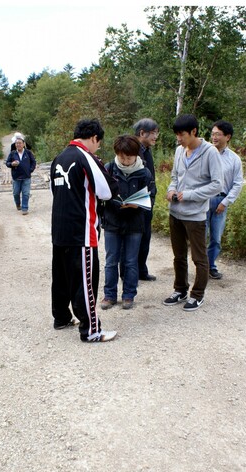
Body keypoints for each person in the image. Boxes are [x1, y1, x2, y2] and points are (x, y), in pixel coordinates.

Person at [50, 119, 118, 342]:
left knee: (61, 277)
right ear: (94, 138)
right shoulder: (85, 157)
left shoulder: (59, 158)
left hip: (59, 229)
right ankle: (91, 330)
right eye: (98, 143)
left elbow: (55, 191)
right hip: (81, 230)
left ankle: (61, 317)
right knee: (84, 281)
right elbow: (107, 190)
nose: (97, 147)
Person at [163, 114, 222, 311]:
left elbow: (217, 185)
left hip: (195, 215)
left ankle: (197, 294)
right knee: (178, 256)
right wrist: (171, 189)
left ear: (194, 132)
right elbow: (175, 176)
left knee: (199, 257)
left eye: (182, 135)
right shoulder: (180, 150)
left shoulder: (210, 153)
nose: (179, 139)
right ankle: (180, 289)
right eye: (177, 135)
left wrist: (189, 194)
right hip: (176, 212)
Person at [100, 135, 152, 311]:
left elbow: (151, 195)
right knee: (111, 260)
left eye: (129, 157)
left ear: (136, 155)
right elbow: (101, 194)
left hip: (134, 223)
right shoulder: (109, 168)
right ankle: (109, 295)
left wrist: (138, 203)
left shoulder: (144, 172)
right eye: (122, 156)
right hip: (112, 221)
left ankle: (129, 294)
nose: (125, 160)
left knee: (130, 261)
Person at [205, 120, 243, 280]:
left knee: (216, 238)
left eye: (217, 134)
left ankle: (210, 266)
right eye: (212, 134)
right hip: (204, 200)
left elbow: (238, 183)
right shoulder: (204, 153)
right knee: (200, 236)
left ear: (227, 137)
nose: (214, 137)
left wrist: (225, 202)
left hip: (222, 201)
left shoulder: (234, 159)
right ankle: (201, 266)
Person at [133, 118, 159, 281]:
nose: (156, 136)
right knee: (133, 238)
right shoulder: (132, 149)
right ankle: (130, 273)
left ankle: (141, 270)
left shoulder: (146, 150)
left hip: (147, 200)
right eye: (154, 133)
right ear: (142, 133)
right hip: (136, 200)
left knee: (145, 237)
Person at [4, 133, 37, 214]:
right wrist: (12, 164)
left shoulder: (28, 153)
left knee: (26, 193)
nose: (18, 145)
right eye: (17, 143)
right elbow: (7, 163)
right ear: (15, 145)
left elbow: (33, 162)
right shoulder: (13, 153)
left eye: (20, 143)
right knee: (16, 193)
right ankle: (18, 204)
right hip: (16, 177)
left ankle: (24, 208)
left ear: (23, 144)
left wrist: (30, 170)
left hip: (26, 177)